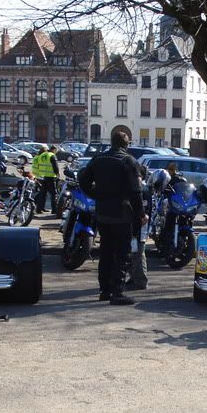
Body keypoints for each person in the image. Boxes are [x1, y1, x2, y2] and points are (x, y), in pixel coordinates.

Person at [78, 130, 145, 305]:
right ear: (126, 144)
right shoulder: (128, 161)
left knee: (106, 252)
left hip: (102, 213)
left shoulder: (98, 159)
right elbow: (135, 192)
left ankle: (104, 290)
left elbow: (83, 180)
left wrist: (95, 195)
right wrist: (141, 214)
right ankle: (118, 292)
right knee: (123, 254)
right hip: (121, 214)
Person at [126, 161, 149, 291]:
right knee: (132, 253)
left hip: (139, 227)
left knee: (139, 254)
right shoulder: (138, 189)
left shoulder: (143, 190)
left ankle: (141, 281)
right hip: (133, 225)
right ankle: (133, 277)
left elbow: (143, 211)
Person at [32, 145, 59, 214]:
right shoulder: (52, 155)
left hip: (42, 177)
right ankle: (54, 210)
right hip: (50, 177)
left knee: (43, 193)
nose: (56, 152)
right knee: (54, 194)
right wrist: (57, 174)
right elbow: (55, 166)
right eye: (56, 151)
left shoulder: (42, 155)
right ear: (54, 150)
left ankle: (39, 209)